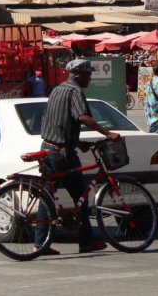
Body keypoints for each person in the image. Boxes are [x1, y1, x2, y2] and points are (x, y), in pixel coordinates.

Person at [36, 59, 121, 254]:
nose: (90, 77)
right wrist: (107, 133)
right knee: (80, 196)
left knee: (47, 196)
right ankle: (86, 241)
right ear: (78, 75)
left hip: (48, 147)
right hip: (61, 153)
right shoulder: (75, 91)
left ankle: (40, 243)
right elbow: (81, 116)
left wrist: (78, 143)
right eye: (88, 74)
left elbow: (57, 120)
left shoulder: (57, 89)